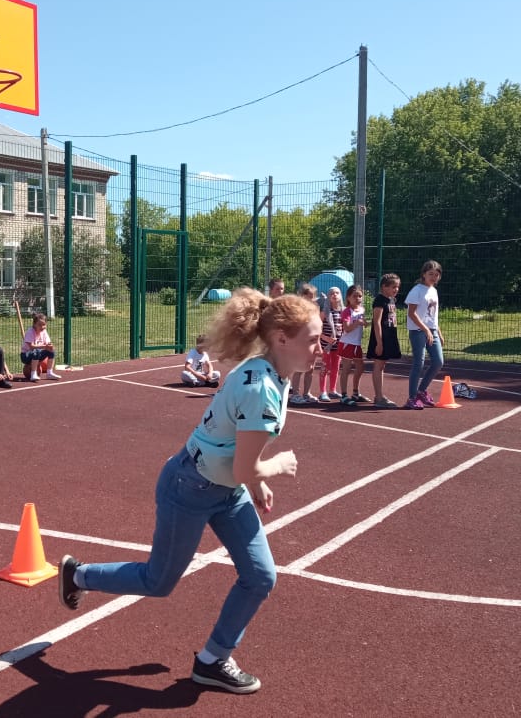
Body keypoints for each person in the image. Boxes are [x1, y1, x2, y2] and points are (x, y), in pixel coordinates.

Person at [58, 288, 321, 695]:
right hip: (190, 487)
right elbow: (244, 465)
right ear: (282, 339)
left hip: (225, 488)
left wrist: (256, 481)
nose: (321, 348)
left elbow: (235, 448)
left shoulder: (272, 373)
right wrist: (274, 468)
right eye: (314, 339)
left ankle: (213, 660)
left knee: (260, 577)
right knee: (158, 582)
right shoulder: (262, 388)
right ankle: (79, 575)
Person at [405, 260, 444, 410]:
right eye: (431, 274)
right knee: (418, 363)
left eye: (436, 275)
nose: (433, 277)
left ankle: (421, 391)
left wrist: (438, 332)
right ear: (423, 274)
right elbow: (412, 313)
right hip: (418, 330)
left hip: (431, 330)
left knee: (438, 362)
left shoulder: (434, 291)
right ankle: (412, 398)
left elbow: (432, 315)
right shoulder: (417, 290)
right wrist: (425, 329)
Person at [366, 273, 402, 409]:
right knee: (378, 365)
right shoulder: (380, 300)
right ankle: (379, 397)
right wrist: (379, 343)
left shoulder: (391, 300)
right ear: (384, 287)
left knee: (382, 365)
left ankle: (379, 396)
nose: (396, 289)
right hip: (381, 337)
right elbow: (376, 322)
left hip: (389, 336)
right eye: (393, 287)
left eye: (397, 287)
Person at [337, 285, 369, 405]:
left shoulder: (362, 309)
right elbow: (347, 328)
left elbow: (363, 323)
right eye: (355, 296)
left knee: (360, 367)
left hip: (357, 344)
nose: (358, 298)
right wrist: (357, 323)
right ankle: (344, 395)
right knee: (346, 369)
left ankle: (355, 393)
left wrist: (366, 323)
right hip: (347, 343)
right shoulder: (346, 311)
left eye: (360, 296)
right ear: (348, 298)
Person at [288, 283, 319, 405]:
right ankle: (295, 394)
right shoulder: (297, 308)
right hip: (301, 341)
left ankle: (307, 393)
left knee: (310, 369)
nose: (311, 298)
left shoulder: (315, 308)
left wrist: (317, 343)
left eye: (313, 296)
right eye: (309, 296)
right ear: (302, 295)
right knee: (300, 368)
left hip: (312, 341)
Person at [317, 286, 344, 402]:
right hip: (326, 345)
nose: (335, 295)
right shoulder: (324, 312)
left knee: (335, 368)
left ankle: (332, 390)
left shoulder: (343, 311)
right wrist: (326, 338)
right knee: (325, 367)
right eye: (332, 293)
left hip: (338, 345)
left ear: (340, 296)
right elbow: (317, 329)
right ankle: (322, 392)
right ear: (328, 296)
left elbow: (344, 327)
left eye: (337, 293)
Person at [21, 312, 62, 381]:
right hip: (26, 356)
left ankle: (49, 373)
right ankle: (33, 374)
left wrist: (50, 346)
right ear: (34, 324)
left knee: (51, 351)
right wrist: (44, 346)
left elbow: (48, 343)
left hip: (38, 354)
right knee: (36, 351)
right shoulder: (30, 332)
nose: (42, 327)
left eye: (44, 325)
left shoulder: (44, 331)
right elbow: (31, 347)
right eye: (39, 325)